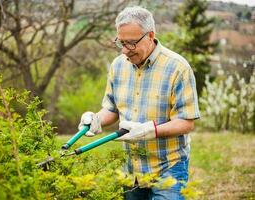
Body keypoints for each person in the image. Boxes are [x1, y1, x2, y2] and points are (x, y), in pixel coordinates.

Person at [78, 6, 200, 200]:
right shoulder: (118, 65)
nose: (126, 50)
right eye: (121, 42)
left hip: (169, 168)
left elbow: (186, 122)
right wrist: (95, 119)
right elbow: (111, 109)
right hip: (131, 170)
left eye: (132, 43)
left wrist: (151, 130)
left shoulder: (178, 68)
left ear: (150, 36)